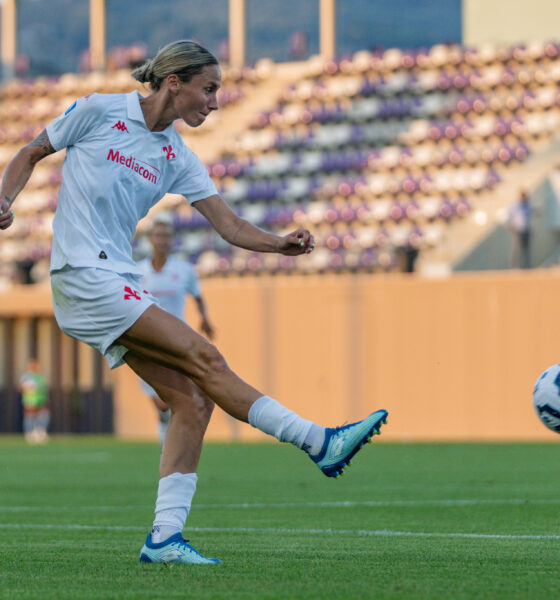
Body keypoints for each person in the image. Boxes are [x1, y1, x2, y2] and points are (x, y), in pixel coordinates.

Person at [0, 39, 388, 564]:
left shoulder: (177, 157)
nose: (215, 102)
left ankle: (164, 538)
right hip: (84, 274)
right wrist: (5, 198)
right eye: (208, 89)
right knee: (206, 359)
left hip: (113, 277)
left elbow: (228, 225)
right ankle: (319, 442)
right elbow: (30, 152)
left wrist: (279, 243)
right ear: (173, 83)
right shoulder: (98, 110)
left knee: (191, 401)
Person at [137, 212, 215, 444]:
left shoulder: (183, 270)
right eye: (159, 235)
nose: (163, 240)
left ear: (172, 240)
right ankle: (167, 434)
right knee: (160, 404)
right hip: (146, 342)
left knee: (174, 399)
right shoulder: (137, 271)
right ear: (151, 239)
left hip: (176, 341)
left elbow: (198, 296)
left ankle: (171, 448)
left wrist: (205, 319)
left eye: (167, 236)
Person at [18, 358, 50, 444]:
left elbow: (43, 387)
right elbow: (21, 387)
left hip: (40, 399)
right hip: (30, 399)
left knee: (43, 414)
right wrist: (29, 389)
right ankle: (30, 433)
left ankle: (40, 431)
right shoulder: (27, 376)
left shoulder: (40, 376)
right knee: (30, 415)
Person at [507, 189, 533, 269]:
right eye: (522, 195)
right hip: (517, 230)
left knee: (526, 249)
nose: (524, 197)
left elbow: (532, 213)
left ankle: (526, 267)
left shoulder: (527, 205)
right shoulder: (515, 206)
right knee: (516, 249)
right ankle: (514, 267)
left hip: (526, 230)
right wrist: (512, 227)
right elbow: (509, 218)